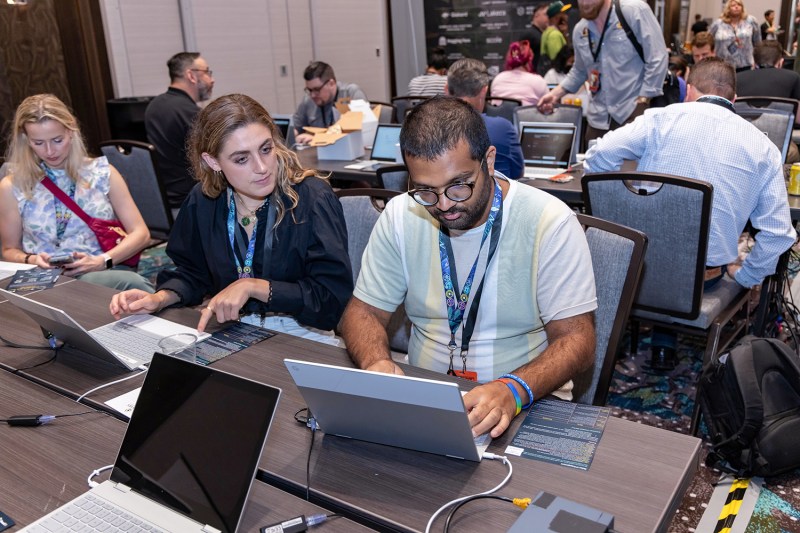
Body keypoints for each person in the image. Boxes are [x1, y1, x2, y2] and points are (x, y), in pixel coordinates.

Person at [340, 96, 597, 438]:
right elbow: (362, 313)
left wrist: (513, 389)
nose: (444, 205)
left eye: (458, 185)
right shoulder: (402, 215)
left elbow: (578, 339)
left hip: (528, 397)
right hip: (428, 396)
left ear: (489, 161)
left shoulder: (549, 222)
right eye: (426, 191)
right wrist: (376, 362)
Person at [584, 58, 796, 368]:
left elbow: (597, 157)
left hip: (633, 272)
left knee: (662, 235)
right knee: (696, 250)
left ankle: (660, 343)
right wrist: (747, 277)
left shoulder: (659, 119)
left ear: (689, 91)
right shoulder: (762, 146)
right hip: (701, 283)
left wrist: (625, 203)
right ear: (734, 99)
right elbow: (779, 234)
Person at [111, 94, 354, 344]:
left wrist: (253, 287)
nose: (261, 167)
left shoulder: (311, 199)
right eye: (241, 159)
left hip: (303, 333)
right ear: (213, 161)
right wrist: (159, 298)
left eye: (266, 149)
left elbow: (331, 299)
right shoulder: (205, 199)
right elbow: (193, 272)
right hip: (233, 328)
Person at [0, 94, 153, 292]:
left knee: (132, 284)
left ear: (71, 131)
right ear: (26, 140)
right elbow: (9, 250)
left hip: (100, 271)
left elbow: (141, 233)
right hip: (44, 280)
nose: (49, 151)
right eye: (38, 143)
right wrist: (32, 259)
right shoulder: (13, 186)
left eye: (57, 140)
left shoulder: (101, 173)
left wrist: (101, 261)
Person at [537, 0, 668, 143]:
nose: (584, 3)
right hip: (598, 119)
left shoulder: (633, 11)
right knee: (593, 163)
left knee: (630, 165)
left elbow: (657, 57)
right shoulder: (580, 31)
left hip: (631, 112)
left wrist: (644, 100)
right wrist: (555, 94)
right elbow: (579, 70)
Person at [145, 52, 215, 210]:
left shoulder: (154, 105)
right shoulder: (191, 114)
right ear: (191, 75)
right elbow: (215, 161)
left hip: (166, 200)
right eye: (207, 72)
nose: (212, 79)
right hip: (190, 201)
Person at [446, 59, 524, 180]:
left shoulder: (430, 129)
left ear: (447, 90)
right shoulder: (503, 128)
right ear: (484, 90)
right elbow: (518, 174)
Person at [293, 62, 366, 145]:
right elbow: (295, 127)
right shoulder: (308, 100)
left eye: (317, 89)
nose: (312, 95)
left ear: (331, 83)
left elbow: (362, 132)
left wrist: (319, 139)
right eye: (309, 90)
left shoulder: (352, 93)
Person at [489, 40, 548, 106]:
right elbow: (548, 109)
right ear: (530, 59)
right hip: (527, 116)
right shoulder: (538, 81)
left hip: (497, 116)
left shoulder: (497, 79)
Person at [710, 0, 761, 71]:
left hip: (745, 64)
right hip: (722, 64)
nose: (736, 7)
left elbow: (757, 42)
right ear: (728, 8)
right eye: (733, 5)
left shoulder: (751, 21)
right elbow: (709, 40)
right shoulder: (718, 23)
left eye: (739, 5)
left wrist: (757, 60)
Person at [544, 45, 591, 114]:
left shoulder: (586, 76)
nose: (574, 66)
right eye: (572, 62)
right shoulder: (552, 75)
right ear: (563, 60)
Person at [519, 4, 550, 74]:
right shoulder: (529, 34)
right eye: (546, 14)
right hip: (531, 77)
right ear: (536, 16)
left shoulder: (544, 35)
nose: (549, 17)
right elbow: (519, 58)